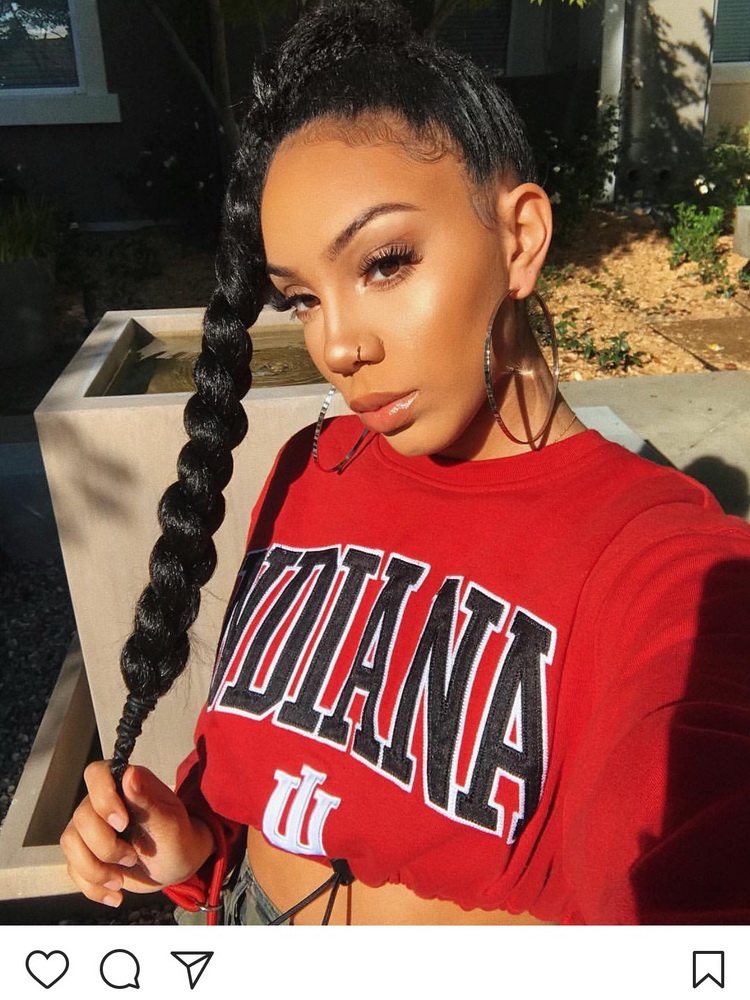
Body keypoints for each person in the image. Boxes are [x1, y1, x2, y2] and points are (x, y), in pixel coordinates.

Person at [59, 0, 750, 925]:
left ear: (520, 238)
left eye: (385, 262)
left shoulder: (661, 560)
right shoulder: (312, 466)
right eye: (302, 298)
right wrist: (188, 844)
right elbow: (272, 780)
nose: (338, 346)